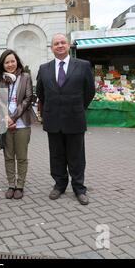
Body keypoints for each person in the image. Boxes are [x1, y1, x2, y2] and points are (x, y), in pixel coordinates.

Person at [36, 33, 95, 206]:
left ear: (68, 45)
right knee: (56, 156)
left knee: (77, 156)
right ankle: (59, 185)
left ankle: (79, 188)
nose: (60, 45)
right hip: (53, 120)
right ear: (51, 48)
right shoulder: (44, 68)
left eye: (62, 42)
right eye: (56, 43)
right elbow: (41, 93)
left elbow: (89, 91)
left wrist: (77, 107)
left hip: (75, 118)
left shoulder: (83, 66)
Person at [0, 50, 37, 200]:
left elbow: (28, 98)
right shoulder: (0, 79)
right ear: (3, 65)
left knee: (22, 156)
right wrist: (6, 118)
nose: (10, 64)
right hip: (5, 122)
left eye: (12, 61)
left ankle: (20, 186)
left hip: (22, 123)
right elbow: (0, 100)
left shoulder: (25, 77)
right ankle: (11, 185)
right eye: (7, 62)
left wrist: (13, 117)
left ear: (17, 62)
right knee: (8, 156)